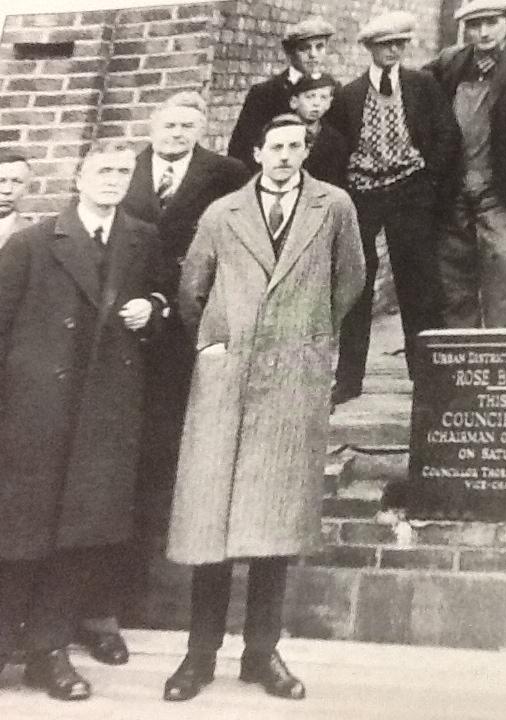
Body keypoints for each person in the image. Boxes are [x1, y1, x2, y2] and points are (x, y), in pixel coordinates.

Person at [162, 114, 364, 702]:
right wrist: (216, 341)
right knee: (212, 523)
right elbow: (192, 288)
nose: (284, 155)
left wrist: (308, 337)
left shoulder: (335, 208)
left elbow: (349, 281)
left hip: (292, 381)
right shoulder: (223, 212)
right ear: (256, 152)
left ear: (306, 151)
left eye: (295, 146)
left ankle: (261, 654)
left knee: (274, 523)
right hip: (226, 381)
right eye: (274, 147)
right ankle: (199, 656)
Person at [64, 92, 250, 664]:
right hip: (113, 338)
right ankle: (78, 605)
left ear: (201, 128)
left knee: (151, 468)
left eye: (188, 125)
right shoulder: (124, 172)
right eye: (168, 123)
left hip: (180, 341)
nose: (177, 132)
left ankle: (119, 603)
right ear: (152, 127)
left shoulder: (227, 175)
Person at [0, 140, 166, 701]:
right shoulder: (32, 243)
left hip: (104, 416)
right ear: (79, 176)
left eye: (124, 171)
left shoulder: (142, 238)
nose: (114, 179)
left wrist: (154, 311)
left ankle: (50, 652)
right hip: (34, 416)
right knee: (18, 534)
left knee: (79, 539)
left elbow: (163, 308)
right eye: (103, 170)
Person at [325, 10, 459, 401]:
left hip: (410, 192)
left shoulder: (422, 86)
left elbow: (447, 135)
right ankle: (349, 380)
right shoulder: (348, 95)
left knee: (418, 284)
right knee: (357, 283)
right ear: (370, 48)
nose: (393, 51)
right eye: (385, 45)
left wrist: (429, 183)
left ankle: (425, 377)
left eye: (399, 44)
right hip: (362, 195)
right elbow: (336, 149)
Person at [425, 0, 506, 329]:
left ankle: (503, 351)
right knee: (454, 275)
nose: (484, 32)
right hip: (456, 187)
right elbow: (417, 92)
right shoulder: (450, 62)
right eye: (475, 25)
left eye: (491, 22)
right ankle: (462, 357)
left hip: (500, 188)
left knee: (503, 265)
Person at [227, 16, 337, 172]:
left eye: (320, 47)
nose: (313, 54)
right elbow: (241, 150)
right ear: (290, 52)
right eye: (304, 48)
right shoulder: (264, 93)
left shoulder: (334, 91)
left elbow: (337, 145)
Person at [289, 74, 348, 188]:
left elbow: (337, 182)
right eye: (310, 96)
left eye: (323, 97)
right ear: (294, 102)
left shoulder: (336, 141)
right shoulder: (281, 134)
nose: (316, 103)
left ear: (329, 103)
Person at [0, 152, 32, 248]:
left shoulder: (33, 235)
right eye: (1, 181)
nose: (7, 190)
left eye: (16, 182)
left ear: (26, 188)